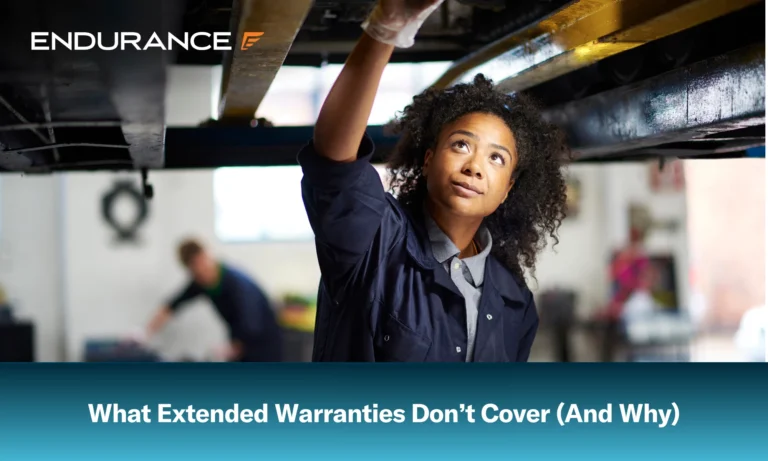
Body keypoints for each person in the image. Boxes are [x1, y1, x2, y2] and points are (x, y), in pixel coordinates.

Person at [297, 0, 569, 362]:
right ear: (428, 160)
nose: (474, 166)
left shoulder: (514, 301)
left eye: (496, 158)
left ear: (507, 191)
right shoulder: (376, 241)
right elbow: (334, 162)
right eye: (461, 145)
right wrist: (385, 30)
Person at [146, 239, 282, 362]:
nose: (201, 274)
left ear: (207, 257)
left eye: (203, 266)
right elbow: (172, 305)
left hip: (263, 344)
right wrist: (145, 334)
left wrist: (231, 349)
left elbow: (252, 323)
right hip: (239, 343)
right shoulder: (202, 281)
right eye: (195, 272)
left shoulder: (237, 283)